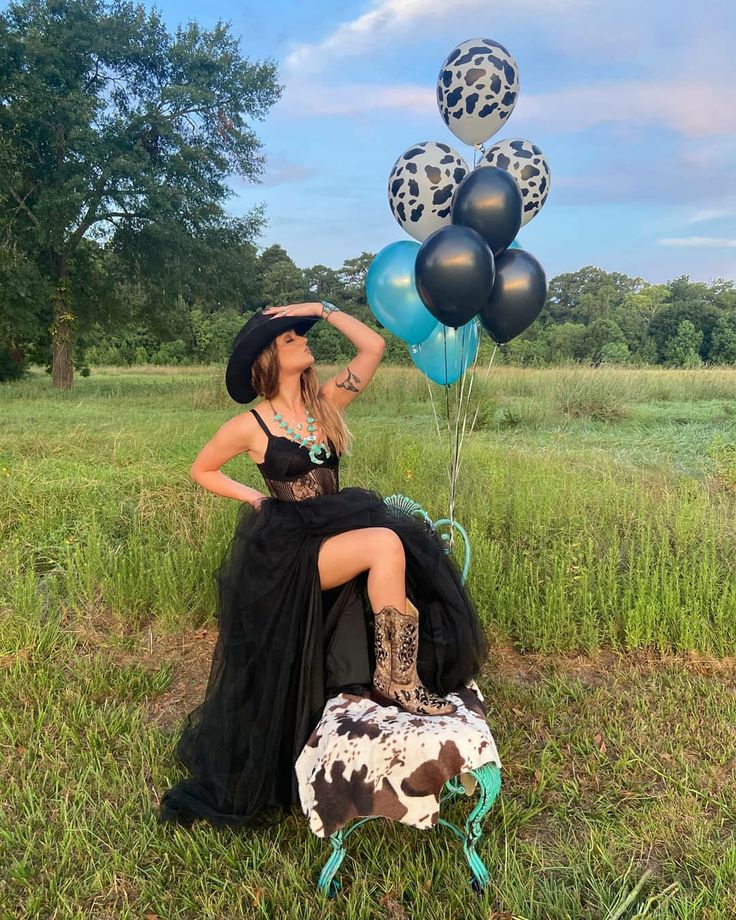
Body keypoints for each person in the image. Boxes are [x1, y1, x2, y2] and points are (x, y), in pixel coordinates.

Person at [157, 300, 489, 829]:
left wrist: (320, 308)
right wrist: (257, 500)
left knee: (393, 550)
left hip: (332, 529)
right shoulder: (249, 425)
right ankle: (396, 683)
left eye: (299, 335)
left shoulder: (326, 405)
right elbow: (203, 469)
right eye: (291, 339)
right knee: (385, 543)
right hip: (289, 551)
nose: (302, 341)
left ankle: (397, 675)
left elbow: (374, 347)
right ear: (269, 359)